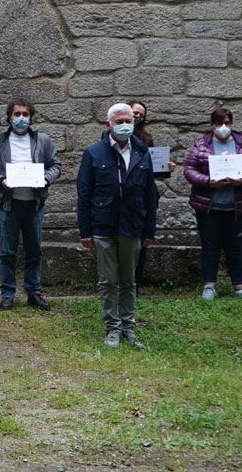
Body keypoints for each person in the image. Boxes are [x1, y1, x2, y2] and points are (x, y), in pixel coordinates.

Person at [76, 103, 159, 350]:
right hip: (103, 225)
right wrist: (85, 231)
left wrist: (149, 230)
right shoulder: (93, 153)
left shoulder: (143, 152)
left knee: (129, 280)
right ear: (108, 124)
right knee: (108, 280)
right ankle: (112, 328)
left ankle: (128, 328)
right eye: (120, 121)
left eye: (129, 121)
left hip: (133, 225)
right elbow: (84, 194)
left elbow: (150, 194)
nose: (125, 125)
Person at [0, 96, 62, 311]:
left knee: (34, 250)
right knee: (7, 251)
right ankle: (7, 294)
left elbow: (55, 166)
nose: (21, 118)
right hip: (8, 203)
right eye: (17, 114)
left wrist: (45, 179)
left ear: (31, 117)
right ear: (9, 117)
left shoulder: (43, 140)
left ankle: (33, 292)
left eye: (25, 114)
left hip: (34, 203)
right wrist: (1, 180)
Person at [183, 107, 242, 301]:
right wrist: (207, 181)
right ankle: (209, 286)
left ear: (232, 123)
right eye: (219, 123)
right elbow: (189, 169)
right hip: (209, 205)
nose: (223, 127)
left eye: (227, 123)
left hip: (237, 205)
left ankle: (240, 287)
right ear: (212, 125)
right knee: (210, 246)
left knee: (236, 246)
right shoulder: (201, 145)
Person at [129, 100, 173, 291]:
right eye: (134, 112)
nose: (137, 117)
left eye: (141, 114)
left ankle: (135, 282)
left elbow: (149, 171)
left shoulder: (147, 140)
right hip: (123, 195)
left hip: (144, 195)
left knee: (141, 241)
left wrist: (166, 169)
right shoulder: (110, 138)